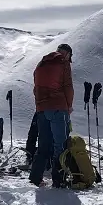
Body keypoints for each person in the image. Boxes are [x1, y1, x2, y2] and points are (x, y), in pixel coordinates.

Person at [28, 42, 74, 187]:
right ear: (67, 54)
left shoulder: (41, 63)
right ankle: (58, 179)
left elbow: (36, 87)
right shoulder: (63, 63)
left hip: (42, 109)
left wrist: (40, 105)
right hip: (58, 108)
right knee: (60, 145)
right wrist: (69, 106)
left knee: (43, 145)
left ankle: (35, 177)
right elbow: (68, 86)